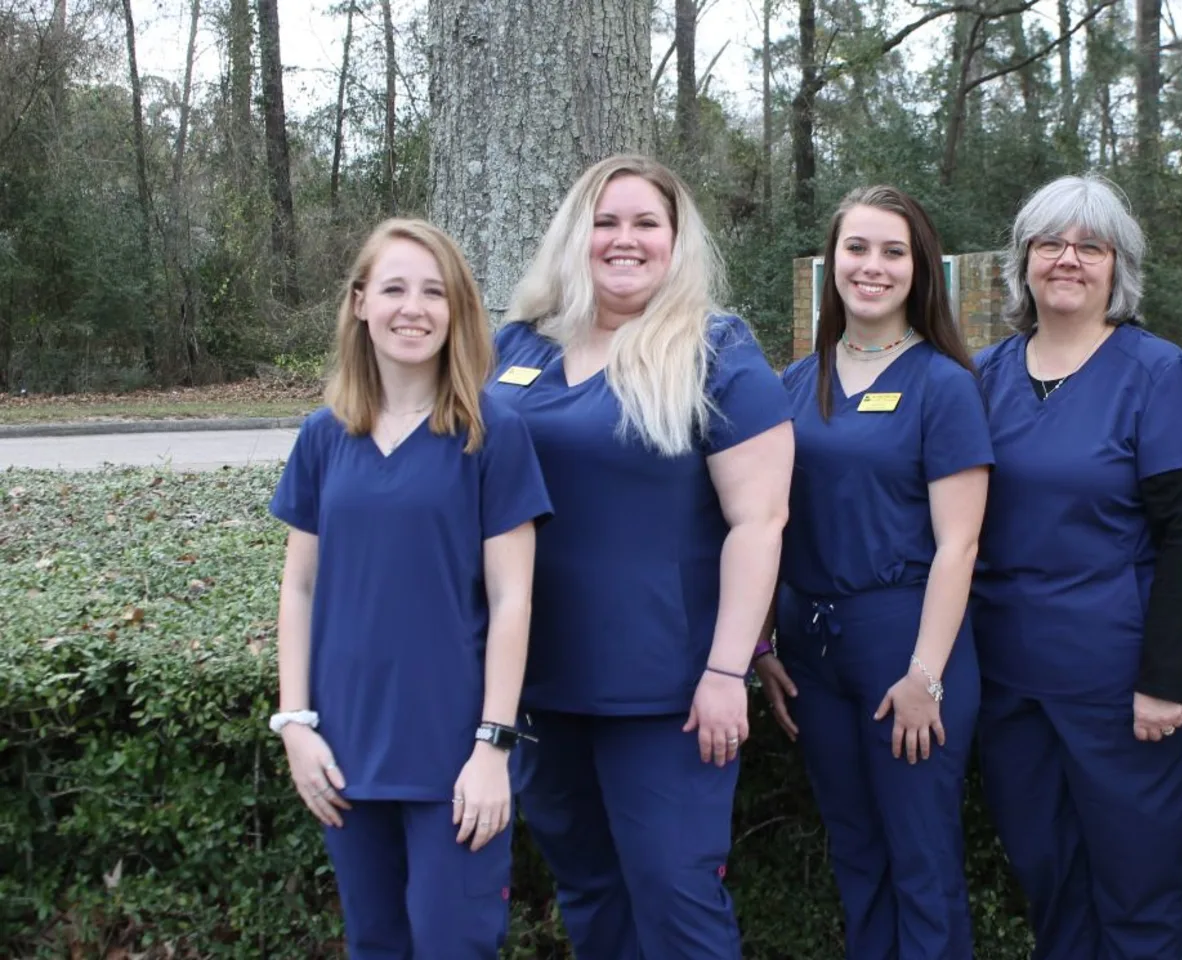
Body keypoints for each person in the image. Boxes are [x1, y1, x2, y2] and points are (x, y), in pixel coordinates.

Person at [486, 154, 793, 960]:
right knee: (588, 889)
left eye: (646, 223)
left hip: (668, 697)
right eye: (606, 221)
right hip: (540, 688)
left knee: (676, 897)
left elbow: (759, 522)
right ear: (575, 235)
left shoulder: (717, 350)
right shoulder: (517, 345)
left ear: (676, 239)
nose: (625, 240)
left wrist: (729, 670)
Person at [268, 218, 552, 958]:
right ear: (360, 302)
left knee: (454, 943)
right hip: (344, 754)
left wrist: (493, 746)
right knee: (375, 944)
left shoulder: (492, 430)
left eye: (434, 292)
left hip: (453, 753)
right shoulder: (325, 436)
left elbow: (513, 599)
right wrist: (295, 723)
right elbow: (299, 587)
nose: (413, 308)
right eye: (394, 288)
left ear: (456, 310)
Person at [970, 174, 1182, 959]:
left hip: (1125, 688)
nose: (1069, 260)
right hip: (1013, 682)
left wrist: (1161, 680)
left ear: (1118, 268)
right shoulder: (984, 375)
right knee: (1047, 871)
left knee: (1136, 885)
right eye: (1050, 243)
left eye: (1091, 246)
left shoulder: (1159, 374)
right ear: (1023, 261)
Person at [755, 186, 992, 960]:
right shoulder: (793, 383)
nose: (873, 266)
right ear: (832, 263)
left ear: (919, 267)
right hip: (812, 649)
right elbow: (761, 523)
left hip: (905, 641)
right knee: (855, 854)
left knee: (920, 858)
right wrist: (762, 647)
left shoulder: (944, 385)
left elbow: (959, 546)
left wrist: (926, 675)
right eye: (857, 248)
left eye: (893, 251)